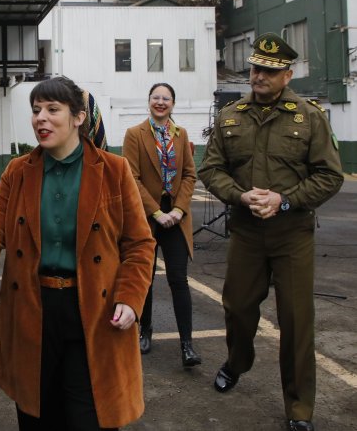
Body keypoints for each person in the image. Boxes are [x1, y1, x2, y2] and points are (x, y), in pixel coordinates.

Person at [0, 76, 155, 431]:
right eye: (36, 110)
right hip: (33, 309)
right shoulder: (18, 171)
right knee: (37, 415)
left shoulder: (114, 171)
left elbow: (139, 244)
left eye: (52, 110)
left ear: (77, 117)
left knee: (90, 416)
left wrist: (130, 298)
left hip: (93, 312)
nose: (41, 117)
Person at [198, 33, 343, 431]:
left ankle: (299, 407)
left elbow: (330, 176)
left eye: (269, 70)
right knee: (238, 308)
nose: (259, 75)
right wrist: (241, 197)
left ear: (287, 75)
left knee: (296, 321)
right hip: (245, 232)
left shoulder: (309, 116)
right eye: (256, 68)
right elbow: (211, 170)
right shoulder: (231, 116)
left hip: (292, 233)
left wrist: (285, 200)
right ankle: (238, 360)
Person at [122, 82, 200, 367]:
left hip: (177, 218)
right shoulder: (134, 134)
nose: (160, 102)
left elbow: (190, 175)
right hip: (148, 218)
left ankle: (187, 345)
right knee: (146, 278)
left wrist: (178, 210)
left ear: (173, 104)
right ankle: (145, 330)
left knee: (178, 279)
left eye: (166, 98)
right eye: (155, 97)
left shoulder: (180, 135)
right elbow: (132, 178)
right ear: (149, 101)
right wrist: (156, 213)